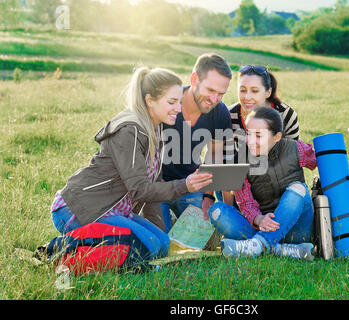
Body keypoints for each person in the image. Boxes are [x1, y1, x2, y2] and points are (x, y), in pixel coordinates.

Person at [50, 66, 213, 260]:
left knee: (160, 245)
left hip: (114, 209)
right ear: (150, 100)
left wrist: (159, 235)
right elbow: (140, 189)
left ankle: (100, 243)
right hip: (79, 209)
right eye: (171, 102)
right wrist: (184, 185)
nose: (178, 109)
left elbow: (154, 188)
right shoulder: (131, 130)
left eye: (179, 102)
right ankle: (63, 249)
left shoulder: (155, 129)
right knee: (146, 249)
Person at [208, 107, 317, 260]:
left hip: (296, 231)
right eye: (248, 134)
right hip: (261, 225)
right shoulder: (241, 160)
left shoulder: (295, 148)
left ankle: (256, 245)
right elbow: (246, 204)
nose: (251, 141)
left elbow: (323, 160)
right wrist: (259, 219)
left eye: (258, 135)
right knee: (217, 211)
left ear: (277, 137)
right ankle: (280, 249)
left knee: (298, 188)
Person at [160, 53, 233, 232]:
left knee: (201, 236)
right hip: (157, 185)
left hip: (190, 185)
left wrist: (208, 197)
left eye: (221, 94)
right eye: (210, 90)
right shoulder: (167, 103)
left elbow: (214, 155)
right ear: (194, 79)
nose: (215, 99)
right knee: (159, 240)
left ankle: (178, 219)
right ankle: (166, 218)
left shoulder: (220, 112)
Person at [224, 65, 299, 165]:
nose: (247, 97)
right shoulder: (228, 116)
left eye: (254, 91)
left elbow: (293, 156)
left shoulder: (286, 115)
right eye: (242, 90)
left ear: (268, 92)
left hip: (279, 174)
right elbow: (224, 161)